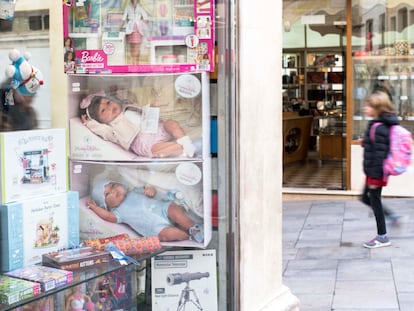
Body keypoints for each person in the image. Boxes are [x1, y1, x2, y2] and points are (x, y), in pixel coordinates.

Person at [86, 178, 204, 243]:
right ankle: (187, 236)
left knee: (175, 210)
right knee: (170, 234)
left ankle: (193, 228)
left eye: (113, 186)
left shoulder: (134, 191)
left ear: (119, 183)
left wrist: (150, 190)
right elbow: (108, 217)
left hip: (162, 209)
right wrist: (95, 208)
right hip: (155, 229)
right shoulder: (117, 213)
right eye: (107, 194)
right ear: (105, 205)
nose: (113, 191)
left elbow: (150, 191)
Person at [80, 93, 196, 158]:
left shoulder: (126, 107)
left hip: (157, 127)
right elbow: (103, 131)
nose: (110, 107)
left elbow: (130, 97)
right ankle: (180, 149)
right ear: (101, 121)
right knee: (155, 150)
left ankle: (184, 140)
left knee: (171, 123)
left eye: (109, 102)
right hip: (144, 142)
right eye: (104, 111)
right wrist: (89, 123)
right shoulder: (112, 128)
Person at [360, 90, 400, 249]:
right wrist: (366, 142)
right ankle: (391, 217)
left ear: (378, 108)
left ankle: (382, 236)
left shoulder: (379, 127)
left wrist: (375, 178)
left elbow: (380, 154)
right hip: (373, 170)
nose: (365, 108)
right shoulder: (376, 124)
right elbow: (376, 146)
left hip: (376, 171)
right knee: (364, 197)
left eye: (369, 106)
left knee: (374, 200)